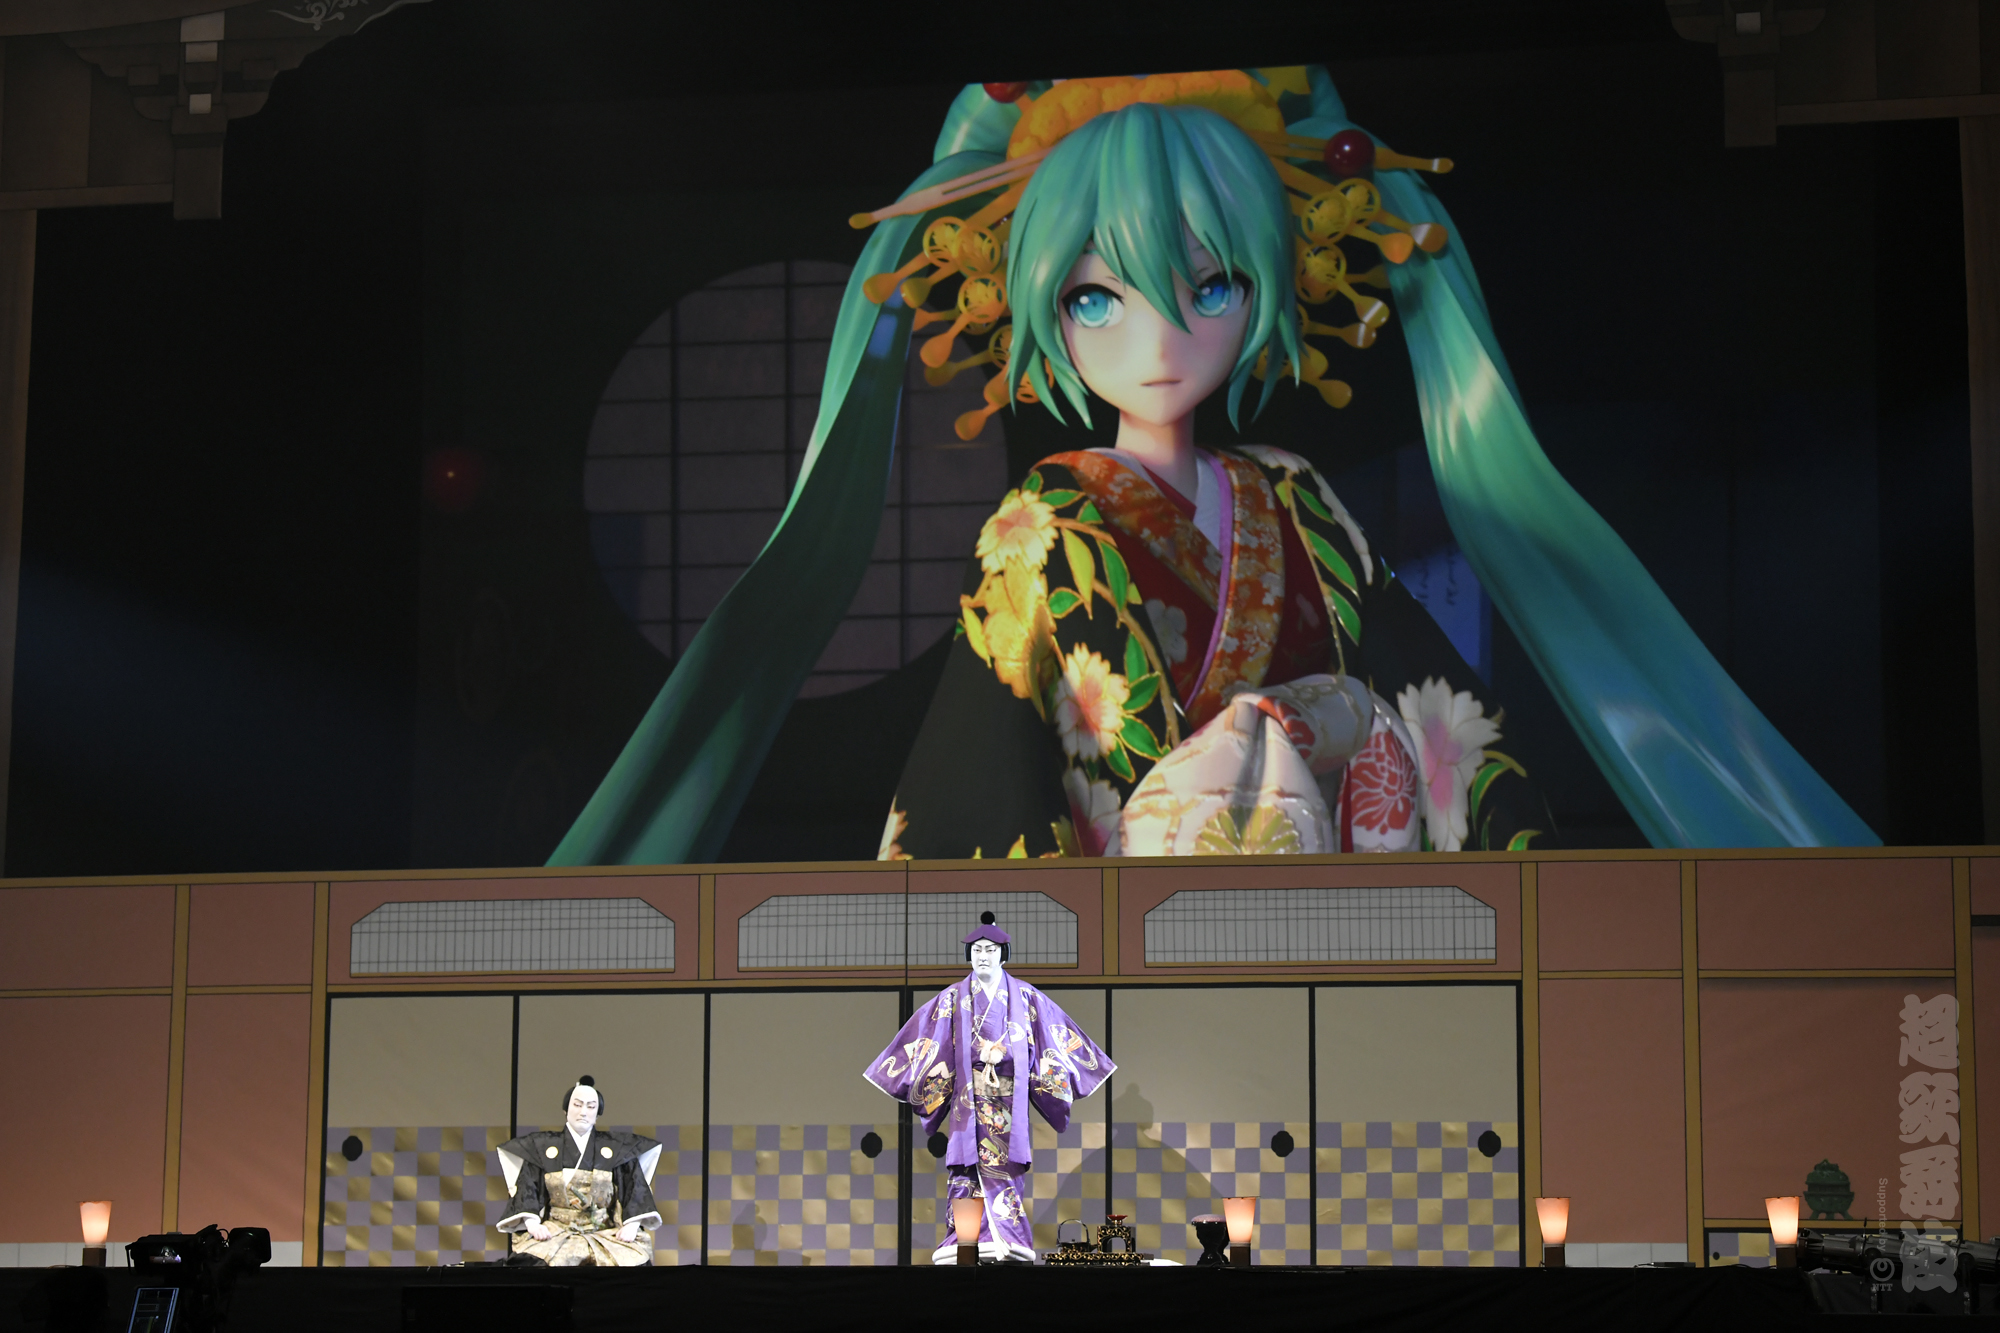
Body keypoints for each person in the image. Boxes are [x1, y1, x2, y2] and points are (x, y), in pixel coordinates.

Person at [548, 65, 1877, 868]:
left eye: (1211, 286)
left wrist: (1368, 753)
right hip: (1119, 937)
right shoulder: (1043, 523)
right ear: (1039, 307)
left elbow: (1432, 710)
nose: (1159, 338)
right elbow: (986, 767)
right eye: (1095, 299)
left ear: (1270, 288)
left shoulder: (1296, 498)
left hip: (1328, 908)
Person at [864, 913, 1112, 1263]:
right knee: (965, 1172)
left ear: (1003, 954)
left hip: (1008, 1103)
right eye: (977, 950)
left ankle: (1009, 1239)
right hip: (968, 1103)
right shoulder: (952, 998)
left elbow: (1051, 1038)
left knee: (1005, 1169)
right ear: (969, 954)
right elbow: (931, 1041)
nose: (983, 956)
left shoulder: (1026, 997)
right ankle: (963, 1238)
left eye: (990, 950)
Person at [496, 1077, 663, 1266]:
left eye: (591, 1107)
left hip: (604, 1231)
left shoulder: (617, 1149)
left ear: (597, 1114)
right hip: (556, 1231)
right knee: (530, 1263)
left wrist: (631, 1225)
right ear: (566, 1109)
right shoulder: (542, 1148)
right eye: (577, 1105)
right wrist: (532, 1224)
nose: (583, 1112)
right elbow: (528, 1189)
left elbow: (635, 1189)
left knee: (633, 1263)